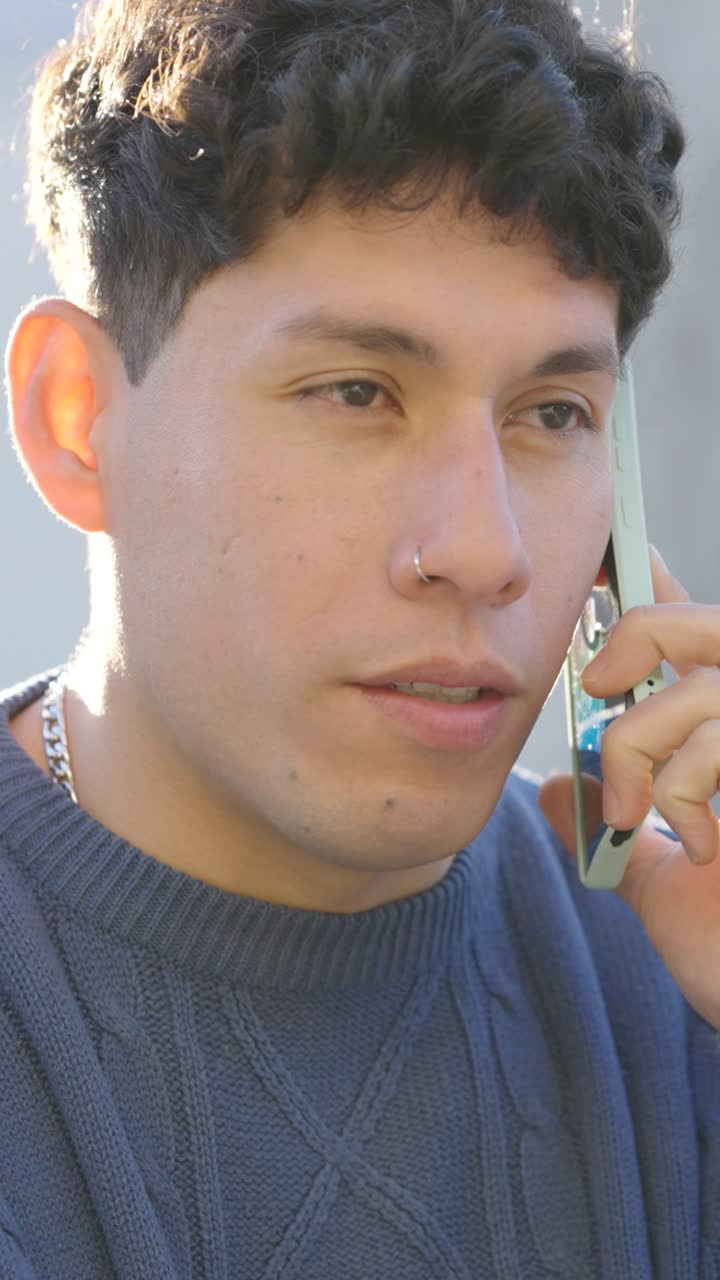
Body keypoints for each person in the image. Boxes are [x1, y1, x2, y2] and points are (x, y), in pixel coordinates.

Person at [2, 0, 719, 1274]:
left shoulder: (680, 963)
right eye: (356, 392)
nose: (488, 547)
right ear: (75, 421)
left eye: (553, 412)